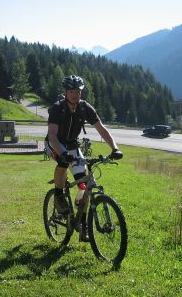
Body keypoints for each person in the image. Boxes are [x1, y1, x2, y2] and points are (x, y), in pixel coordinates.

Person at [46, 75, 123, 241]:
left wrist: (115, 148)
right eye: (71, 91)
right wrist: (62, 152)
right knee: (63, 161)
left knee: (84, 185)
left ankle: (82, 225)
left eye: (78, 91)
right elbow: (52, 135)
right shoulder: (57, 108)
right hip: (54, 143)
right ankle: (59, 196)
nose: (75, 94)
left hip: (72, 145)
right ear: (65, 92)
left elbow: (101, 129)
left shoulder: (84, 107)